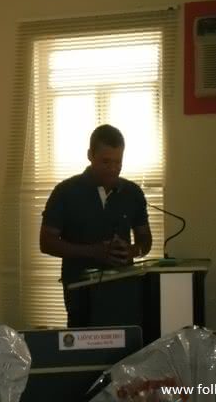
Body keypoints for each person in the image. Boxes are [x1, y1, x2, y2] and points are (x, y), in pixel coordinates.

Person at [40, 124, 152, 327]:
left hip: (124, 293)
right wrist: (94, 252)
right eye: (106, 162)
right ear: (90, 155)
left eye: (118, 162)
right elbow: (46, 242)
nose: (113, 169)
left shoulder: (132, 193)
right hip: (80, 293)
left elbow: (145, 240)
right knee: (83, 344)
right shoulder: (65, 192)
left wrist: (132, 251)